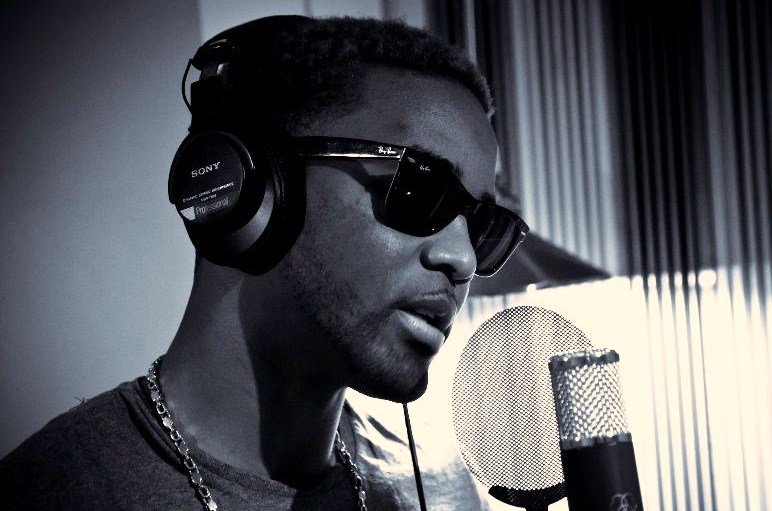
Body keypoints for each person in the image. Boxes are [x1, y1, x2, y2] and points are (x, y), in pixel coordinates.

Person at [0, 15, 528, 510]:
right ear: (251, 191)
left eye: (483, 224)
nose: (462, 259)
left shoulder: (435, 486)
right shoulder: (55, 491)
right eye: (419, 189)